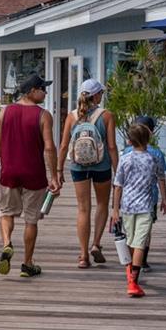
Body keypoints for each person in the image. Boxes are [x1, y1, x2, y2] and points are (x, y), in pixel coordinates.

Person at [0, 74, 59, 278]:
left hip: (9, 172)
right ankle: (27, 264)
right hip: (34, 174)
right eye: (42, 89)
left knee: (6, 213)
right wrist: (55, 176)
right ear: (32, 91)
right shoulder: (43, 115)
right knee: (31, 221)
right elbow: (50, 148)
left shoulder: (5, 113)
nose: (45, 92)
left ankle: (7, 244)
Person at [56, 77, 119, 268]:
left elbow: (64, 145)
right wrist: (119, 171)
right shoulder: (107, 115)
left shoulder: (72, 116)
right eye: (101, 92)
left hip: (78, 167)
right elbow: (111, 147)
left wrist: (59, 170)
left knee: (83, 208)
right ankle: (96, 244)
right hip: (102, 165)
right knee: (101, 204)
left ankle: (83, 255)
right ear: (96, 95)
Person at [108, 122, 166, 297]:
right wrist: (165, 199)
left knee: (131, 241)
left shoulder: (125, 159)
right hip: (146, 206)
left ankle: (130, 272)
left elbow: (117, 185)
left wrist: (115, 209)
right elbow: (161, 178)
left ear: (129, 140)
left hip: (127, 206)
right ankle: (133, 281)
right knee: (140, 243)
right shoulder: (153, 158)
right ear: (148, 140)